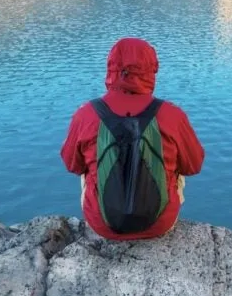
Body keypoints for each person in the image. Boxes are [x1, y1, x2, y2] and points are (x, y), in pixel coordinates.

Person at [60, 37, 204, 240]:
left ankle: (107, 212)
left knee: (86, 168)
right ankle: (155, 210)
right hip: (160, 225)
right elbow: (193, 166)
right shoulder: (173, 115)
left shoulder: (86, 114)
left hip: (102, 226)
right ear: (151, 70)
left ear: (111, 69)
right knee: (177, 167)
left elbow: (72, 165)